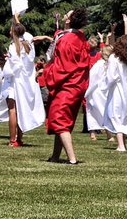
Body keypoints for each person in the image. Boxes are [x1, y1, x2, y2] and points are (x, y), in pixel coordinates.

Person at [44, 9, 92, 165]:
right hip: (78, 84)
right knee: (63, 120)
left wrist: (47, 72)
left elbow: (63, 66)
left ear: (68, 21)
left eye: (68, 14)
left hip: (68, 85)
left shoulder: (68, 40)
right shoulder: (80, 37)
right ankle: (55, 156)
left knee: (60, 119)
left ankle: (72, 159)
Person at [5, 14, 46, 147]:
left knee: (12, 110)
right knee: (21, 109)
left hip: (15, 81)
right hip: (26, 81)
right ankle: (19, 138)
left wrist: (7, 65)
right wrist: (16, 18)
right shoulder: (29, 44)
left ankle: (12, 140)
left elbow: (14, 66)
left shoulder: (14, 47)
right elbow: (23, 31)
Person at [104, 15, 127, 153]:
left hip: (117, 91)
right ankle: (123, 142)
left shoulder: (114, 58)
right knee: (125, 117)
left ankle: (121, 146)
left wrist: (105, 86)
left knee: (116, 116)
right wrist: (126, 23)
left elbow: (111, 77)